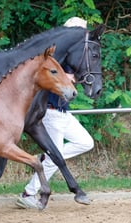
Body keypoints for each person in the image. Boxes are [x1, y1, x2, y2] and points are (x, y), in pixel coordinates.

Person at [16, 17, 94, 209]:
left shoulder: (72, 56)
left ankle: (46, 157)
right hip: (51, 112)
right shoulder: (52, 57)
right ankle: (28, 193)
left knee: (86, 142)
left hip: (64, 112)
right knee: (54, 156)